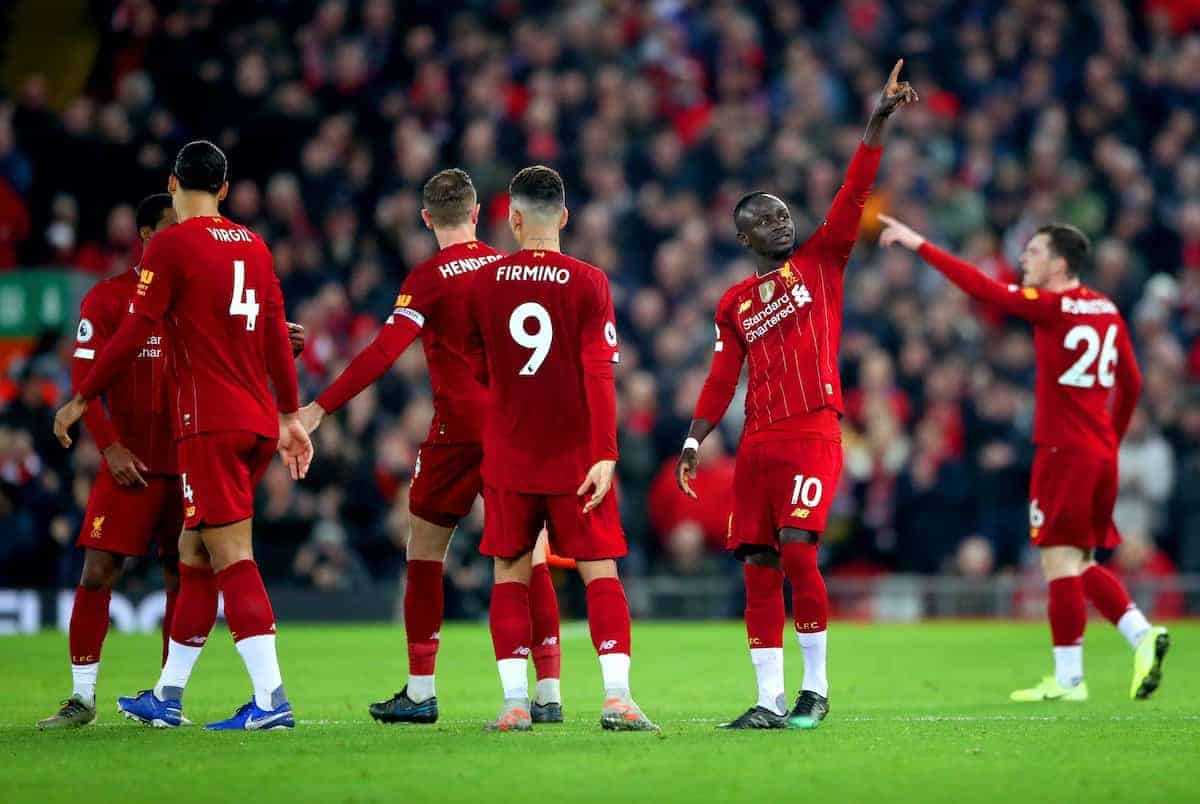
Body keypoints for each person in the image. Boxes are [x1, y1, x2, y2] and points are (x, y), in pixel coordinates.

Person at [675, 60, 917, 730]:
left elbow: (852, 189)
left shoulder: (822, 261)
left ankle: (816, 689)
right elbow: (724, 375)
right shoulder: (734, 304)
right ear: (742, 237)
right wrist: (696, 437)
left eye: (783, 213)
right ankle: (767, 700)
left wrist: (876, 122)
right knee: (756, 562)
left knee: (799, 549)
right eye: (764, 218)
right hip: (756, 440)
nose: (780, 222)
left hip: (813, 428)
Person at [54, 140, 313, 730]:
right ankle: (166, 698)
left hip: (208, 425)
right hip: (255, 421)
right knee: (191, 553)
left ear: (174, 183)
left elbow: (134, 333)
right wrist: (291, 414)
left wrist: (82, 395)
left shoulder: (170, 244)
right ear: (225, 189)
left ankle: (272, 700)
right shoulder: (255, 244)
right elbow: (276, 333)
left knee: (231, 556)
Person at [298, 168, 564, 724]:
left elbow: (381, 352)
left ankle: (421, 691)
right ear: (475, 214)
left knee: (423, 552)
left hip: (458, 432)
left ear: (426, 219)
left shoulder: (428, 277)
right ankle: (548, 693)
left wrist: (320, 407)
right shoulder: (509, 267)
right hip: (519, 429)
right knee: (529, 557)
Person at [878, 214, 1169, 702]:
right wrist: (1111, 438)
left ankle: (1075, 675)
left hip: (1063, 451)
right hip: (1099, 452)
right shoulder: (1107, 309)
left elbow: (982, 288)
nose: (1023, 259)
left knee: (1058, 561)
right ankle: (1137, 637)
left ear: (1058, 263)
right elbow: (1133, 384)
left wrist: (919, 243)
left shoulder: (1052, 307)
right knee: (1081, 560)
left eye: (1033, 252)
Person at [466, 165, 655, 732]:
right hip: (577, 457)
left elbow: (476, 366)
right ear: (565, 217)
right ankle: (617, 698)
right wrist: (605, 452)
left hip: (509, 454)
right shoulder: (590, 282)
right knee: (601, 574)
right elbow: (601, 371)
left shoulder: (483, 282)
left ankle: (514, 704)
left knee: (509, 575)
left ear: (514, 219)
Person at [37, 194, 181, 729]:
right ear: (145, 234)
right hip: (128, 462)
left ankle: (168, 699)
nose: (179, 234)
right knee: (98, 571)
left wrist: (275, 342)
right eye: (169, 227)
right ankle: (82, 699)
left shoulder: (193, 299)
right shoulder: (107, 299)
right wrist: (111, 446)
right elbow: (83, 384)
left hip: (188, 459)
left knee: (181, 576)